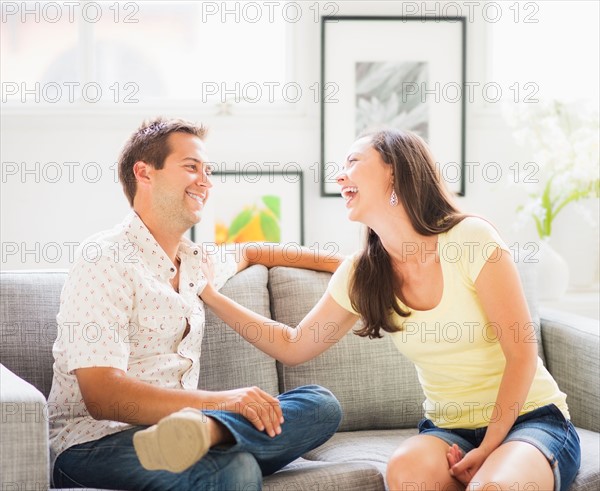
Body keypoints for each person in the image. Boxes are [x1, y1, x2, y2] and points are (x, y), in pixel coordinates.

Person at [199, 129, 581, 491]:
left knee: (493, 486)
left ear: (394, 171)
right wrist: (212, 294)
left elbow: (522, 354)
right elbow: (294, 345)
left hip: (528, 420)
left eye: (352, 162)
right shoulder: (363, 273)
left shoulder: (470, 240)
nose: (339, 176)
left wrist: (488, 447)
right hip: (449, 431)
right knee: (404, 471)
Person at [48, 117, 343, 491]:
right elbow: (103, 396)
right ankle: (208, 431)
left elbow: (253, 251)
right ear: (145, 173)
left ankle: (206, 433)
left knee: (320, 405)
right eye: (191, 167)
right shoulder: (104, 258)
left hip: (190, 432)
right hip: (94, 444)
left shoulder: (195, 262)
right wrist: (223, 402)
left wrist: (348, 265)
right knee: (233, 470)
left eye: (208, 170)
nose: (206, 181)